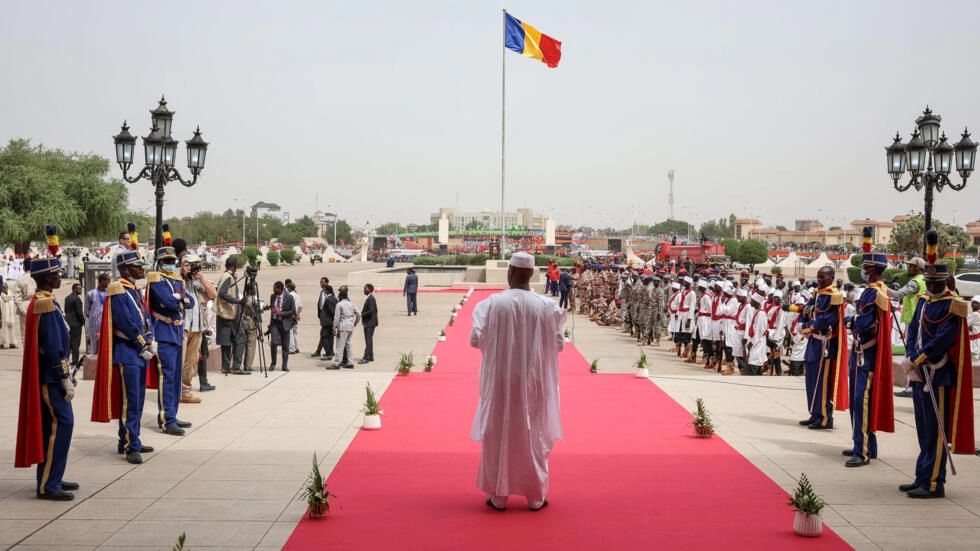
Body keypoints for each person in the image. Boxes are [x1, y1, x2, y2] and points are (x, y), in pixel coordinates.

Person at [469, 251, 565, 511]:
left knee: (499, 432)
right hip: (534, 383)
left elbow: (475, 340)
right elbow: (559, 344)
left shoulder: (491, 304)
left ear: (510, 272)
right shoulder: (547, 306)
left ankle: (498, 496)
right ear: (532, 274)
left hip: (500, 383)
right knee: (534, 433)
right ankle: (535, 497)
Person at [901, 252, 974, 498]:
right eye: (929, 282)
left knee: (936, 431)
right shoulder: (924, 301)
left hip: (938, 374)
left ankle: (934, 482)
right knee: (923, 430)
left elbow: (943, 339)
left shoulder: (952, 305)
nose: (931, 286)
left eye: (936, 283)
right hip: (920, 373)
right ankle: (922, 475)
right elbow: (913, 329)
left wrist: (917, 358)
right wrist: (911, 357)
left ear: (946, 282)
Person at [14, 253, 78, 500]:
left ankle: (53, 476)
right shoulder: (44, 303)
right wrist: (64, 376)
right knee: (61, 424)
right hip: (50, 379)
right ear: (48, 277)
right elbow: (52, 346)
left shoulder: (48, 300)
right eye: (56, 273)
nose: (59, 276)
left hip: (52, 376)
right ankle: (48, 485)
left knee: (56, 426)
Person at [92, 251, 156, 465]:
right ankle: (131, 445)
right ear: (125, 269)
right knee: (131, 401)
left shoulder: (133, 290)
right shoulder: (118, 289)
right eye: (137, 266)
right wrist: (141, 342)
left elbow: (144, 317)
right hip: (128, 352)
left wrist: (150, 337)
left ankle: (130, 438)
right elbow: (125, 322)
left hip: (138, 351)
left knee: (135, 401)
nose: (141, 269)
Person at [842, 246, 895, 468]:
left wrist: (851, 322)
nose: (863, 270)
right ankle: (863, 444)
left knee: (861, 401)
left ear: (871, 269)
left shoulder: (874, 292)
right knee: (860, 402)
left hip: (867, 356)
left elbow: (863, 323)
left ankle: (862, 451)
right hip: (862, 352)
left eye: (865, 267)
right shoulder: (876, 290)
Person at [793, 266, 848, 430]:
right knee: (811, 379)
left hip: (825, 343)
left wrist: (808, 327)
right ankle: (815, 413)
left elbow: (826, 319)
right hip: (813, 341)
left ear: (832, 277)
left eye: (823, 277)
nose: (820, 280)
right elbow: (808, 309)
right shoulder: (818, 293)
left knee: (821, 382)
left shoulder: (834, 296)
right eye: (818, 277)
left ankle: (825, 417)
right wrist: (802, 321)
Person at [147, 246, 194, 436]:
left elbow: (189, 301)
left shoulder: (176, 280)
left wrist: (179, 298)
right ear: (159, 262)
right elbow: (169, 302)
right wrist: (179, 299)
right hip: (164, 332)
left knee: (175, 378)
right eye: (166, 261)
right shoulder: (156, 279)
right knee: (166, 377)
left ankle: (172, 414)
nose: (170, 264)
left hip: (176, 331)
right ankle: (167, 420)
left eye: (172, 261)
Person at [889, 257, 926, 398]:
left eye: (911, 266)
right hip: (921, 320)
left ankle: (911, 387)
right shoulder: (925, 280)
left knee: (910, 353)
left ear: (919, 268)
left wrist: (879, 285)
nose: (909, 268)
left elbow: (897, 294)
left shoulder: (915, 281)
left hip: (913, 320)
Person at [181, 254, 217, 394]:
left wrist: (202, 278)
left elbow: (213, 294)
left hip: (197, 327)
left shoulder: (197, 282)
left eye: (196, 265)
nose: (193, 268)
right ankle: (176, 391)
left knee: (191, 361)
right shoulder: (178, 280)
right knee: (180, 360)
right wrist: (183, 273)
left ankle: (186, 391)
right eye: (190, 265)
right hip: (183, 327)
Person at [214, 257, 247, 375]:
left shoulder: (225, 276)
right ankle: (236, 367)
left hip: (225, 312)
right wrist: (237, 301)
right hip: (230, 313)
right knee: (241, 338)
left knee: (226, 340)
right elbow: (222, 293)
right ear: (235, 266)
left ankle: (225, 366)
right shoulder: (228, 277)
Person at [265, 280, 295, 371]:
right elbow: (272, 308)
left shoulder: (289, 297)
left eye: (275, 288)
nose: (274, 290)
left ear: (281, 289)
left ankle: (284, 365)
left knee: (285, 346)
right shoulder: (273, 296)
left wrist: (281, 313)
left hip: (285, 323)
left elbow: (292, 311)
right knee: (273, 343)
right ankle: (273, 363)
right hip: (275, 323)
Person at [332, 286, 360, 369]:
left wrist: (334, 327)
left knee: (340, 345)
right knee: (348, 345)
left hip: (343, 326)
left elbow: (336, 318)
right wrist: (355, 322)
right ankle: (350, 362)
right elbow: (359, 314)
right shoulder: (352, 304)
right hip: (350, 325)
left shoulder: (339, 304)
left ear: (340, 297)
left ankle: (337, 363)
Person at [84, 273, 110, 355]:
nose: (109, 283)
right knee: (94, 345)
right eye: (107, 281)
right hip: (94, 325)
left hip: (106, 323)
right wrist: (94, 319)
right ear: (101, 281)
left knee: (106, 344)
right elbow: (86, 311)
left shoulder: (109, 293)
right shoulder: (91, 294)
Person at [14, 259, 36, 345]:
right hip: (36, 305)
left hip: (25, 305)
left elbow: (16, 298)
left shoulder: (21, 279)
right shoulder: (36, 278)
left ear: (23, 267)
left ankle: (26, 356)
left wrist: (23, 310)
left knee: (25, 335)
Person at [64, 283, 85, 368]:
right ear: (74, 289)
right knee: (76, 343)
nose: (81, 291)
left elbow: (66, 310)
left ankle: (67, 359)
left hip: (68, 322)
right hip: (76, 323)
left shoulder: (67, 298)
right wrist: (83, 321)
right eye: (79, 289)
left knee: (69, 342)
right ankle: (75, 362)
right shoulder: (77, 299)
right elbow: (79, 313)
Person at [313, 278, 335, 358]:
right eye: (320, 282)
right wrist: (320, 315)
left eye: (322, 282)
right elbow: (320, 305)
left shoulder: (330, 294)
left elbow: (332, 308)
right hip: (323, 317)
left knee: (325, 335)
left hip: (328, 318)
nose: (321, 284)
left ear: (327, 283)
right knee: (325, 335)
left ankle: (325, 351)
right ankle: (328, 351)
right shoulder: (321, 292)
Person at [286, 279, 302, 354]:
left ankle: (291, 348)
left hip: (291, 316)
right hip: (296, 316)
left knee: (290, 332)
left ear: (289, 288)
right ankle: (296, 347)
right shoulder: (297, 295)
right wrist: (298, 315)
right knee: (295, 332)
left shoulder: (289, 296)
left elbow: (289, 307)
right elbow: (300, 306)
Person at [0, 282, 17, 348]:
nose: (3, 289)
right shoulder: (0, 296)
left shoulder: (11, 295)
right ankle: (2, 343)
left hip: (11, 316)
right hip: (3, 315)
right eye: (2, 288)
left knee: (12, 329)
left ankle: (12, 343)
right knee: (3, 329)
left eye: (4, 287)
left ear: (7, 287)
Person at [969, 296, 980, 361]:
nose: (973, 304)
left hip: (973, 342)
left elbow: (964, 324)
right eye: (973, 302)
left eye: (976, 303)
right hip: (977, 340)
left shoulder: (976, 314)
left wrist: (968, 326)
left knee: (972, 361)